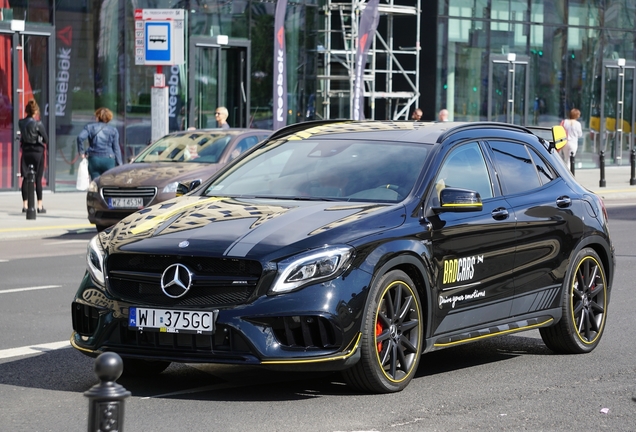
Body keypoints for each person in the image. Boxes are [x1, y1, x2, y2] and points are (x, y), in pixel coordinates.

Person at [19, 100, 49, 213]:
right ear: (35, 111)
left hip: (26, 151)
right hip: (38, 152)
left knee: (26, 178)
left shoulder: (21, 122)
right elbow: (46, 139)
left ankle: (25, 205)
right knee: (38, 178)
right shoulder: (38, 124)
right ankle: (40, 206)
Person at [77, 107, 123, 180]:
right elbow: (116, 148)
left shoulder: (89, 127)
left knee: (95, 183)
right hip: (109, 159)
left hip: (94, 159)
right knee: (109, 183)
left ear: (98, 117)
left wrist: (81, 152)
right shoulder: (113, 130)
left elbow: (80, 137)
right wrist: (120, 164)